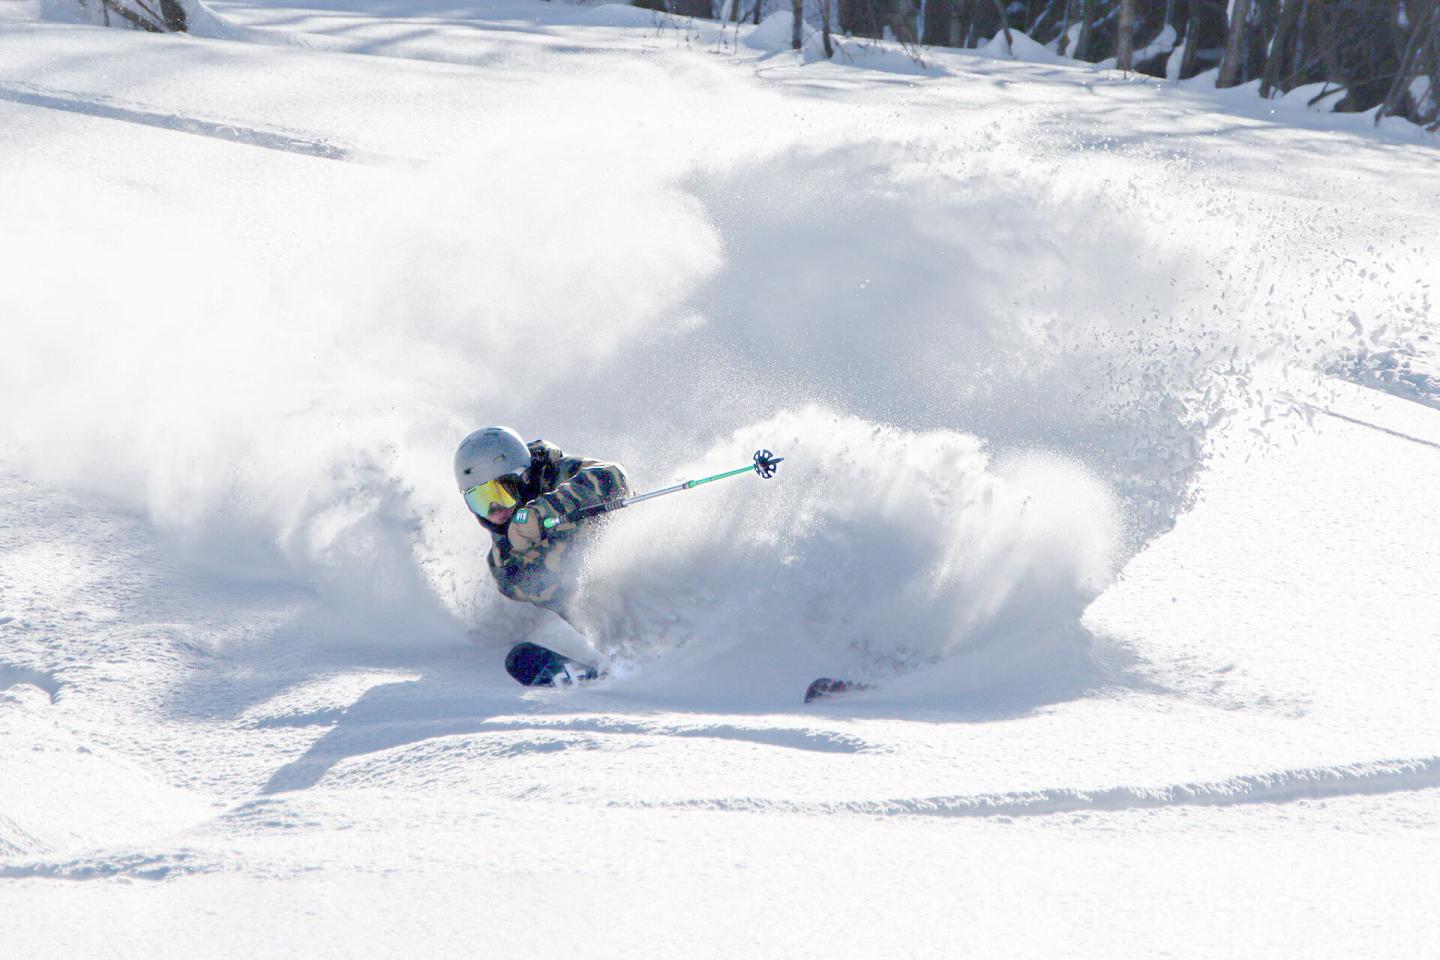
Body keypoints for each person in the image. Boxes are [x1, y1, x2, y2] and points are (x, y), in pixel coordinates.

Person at [454, 426, 630, 686]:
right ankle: (624, 654)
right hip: (610, 614)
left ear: (524, 478)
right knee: (552, 583)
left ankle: (639, 647)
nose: (496, 509)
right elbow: (511, 580)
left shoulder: (559, 472)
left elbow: (613, 477)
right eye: (480, 500)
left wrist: (543, 511)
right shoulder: (505, 549)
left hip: (637, 562)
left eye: (503, 492)